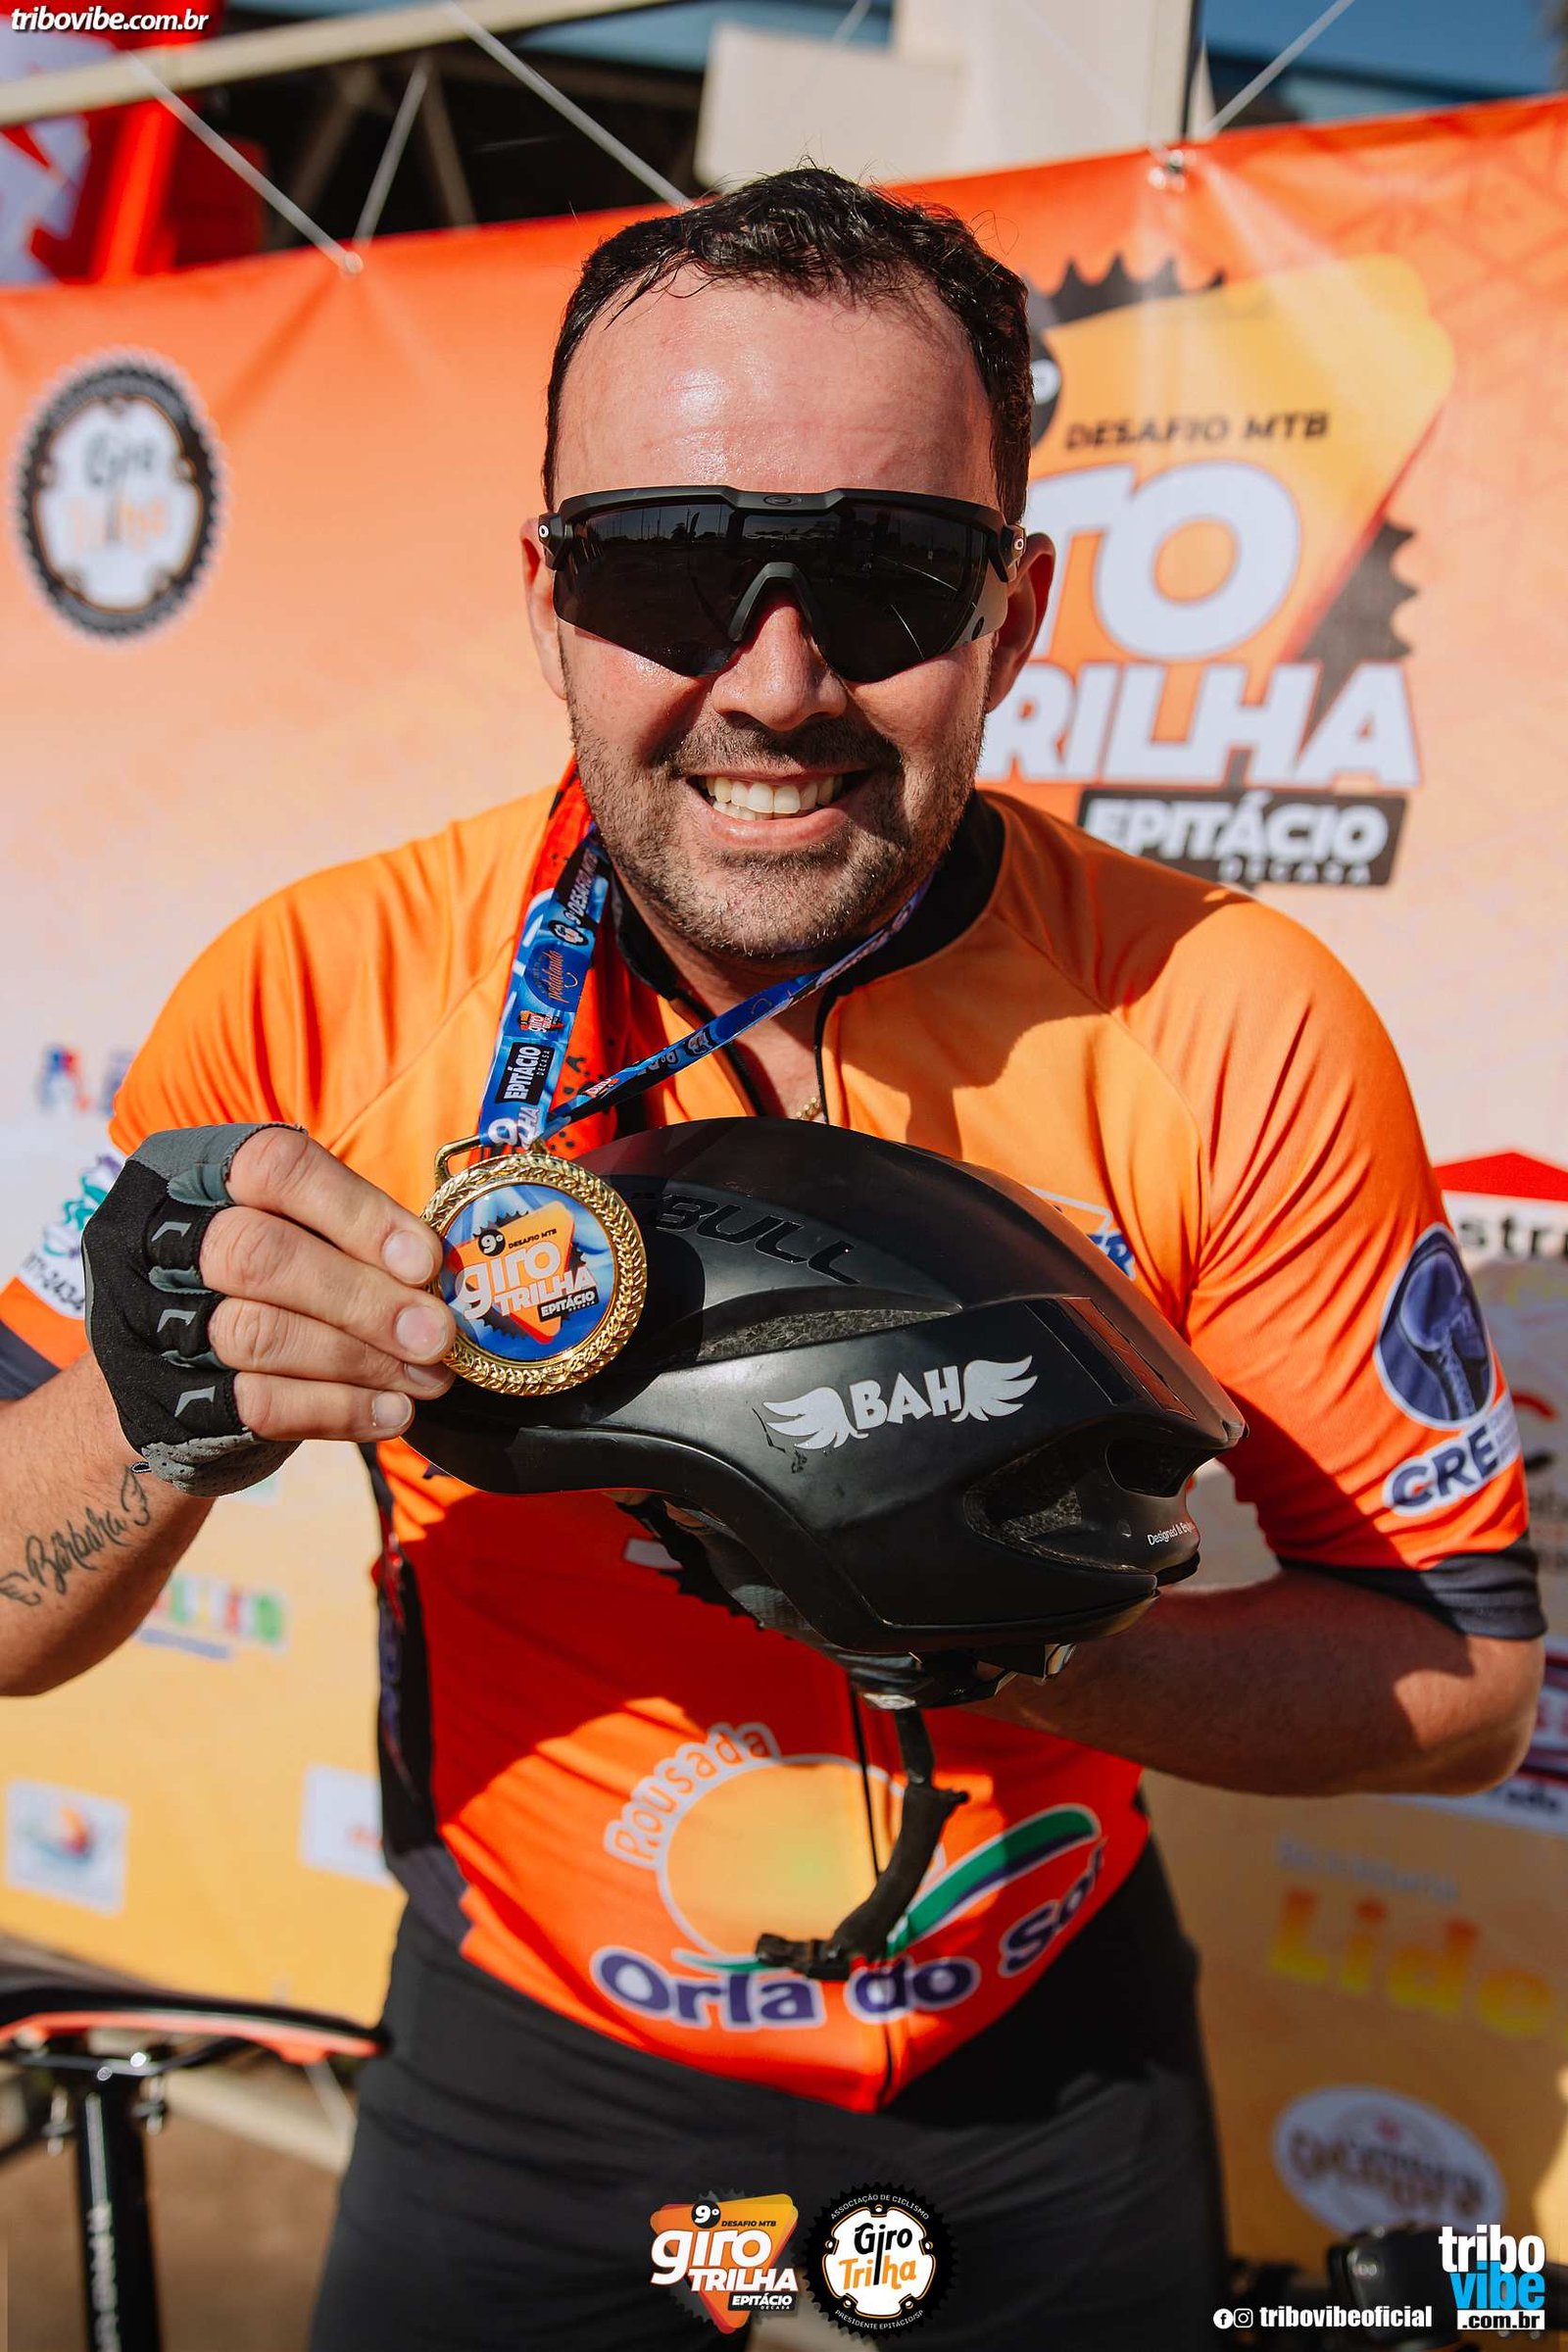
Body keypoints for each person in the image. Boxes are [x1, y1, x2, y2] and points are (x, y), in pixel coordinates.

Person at [0, 169, 1541, 2351]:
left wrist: (1019, 1642)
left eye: (887, 577)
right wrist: (155, 1417)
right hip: (535, 2079)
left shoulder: (1225, 1019)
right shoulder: (319, 997)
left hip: (1040, 2058)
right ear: (548, 596)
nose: (777, 681)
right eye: (667, 568)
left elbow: (1462, 1684)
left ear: (1015, 610)